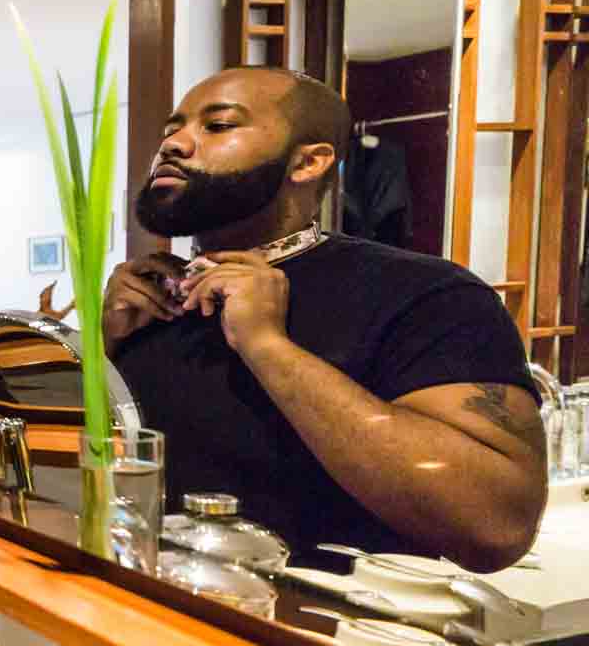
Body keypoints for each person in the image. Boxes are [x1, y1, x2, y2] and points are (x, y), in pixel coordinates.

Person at [102, 66, 545, 572]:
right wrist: (102, 353)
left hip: (326, 641)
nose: (175, 144)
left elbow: (496, 521)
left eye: (217, 126)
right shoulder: (153, 302)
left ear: (308, 162)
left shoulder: (427, 296)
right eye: (171, 130)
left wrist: (269, 347)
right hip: (144, 624)